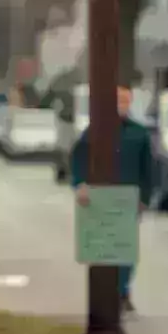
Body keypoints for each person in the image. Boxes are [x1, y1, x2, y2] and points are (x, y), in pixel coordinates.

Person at [70, 84, 155, 314]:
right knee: (101, 250)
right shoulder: (94, 131)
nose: (121, 105)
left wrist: (145, 199)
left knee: (124, 250)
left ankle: (122, 291)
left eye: (125, 101)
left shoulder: (139, 133)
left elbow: (148, 169)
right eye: (118, 100)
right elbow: (78, 160)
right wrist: (80, 185)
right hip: (99, 199)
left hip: (127, 199)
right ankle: (104, 294)